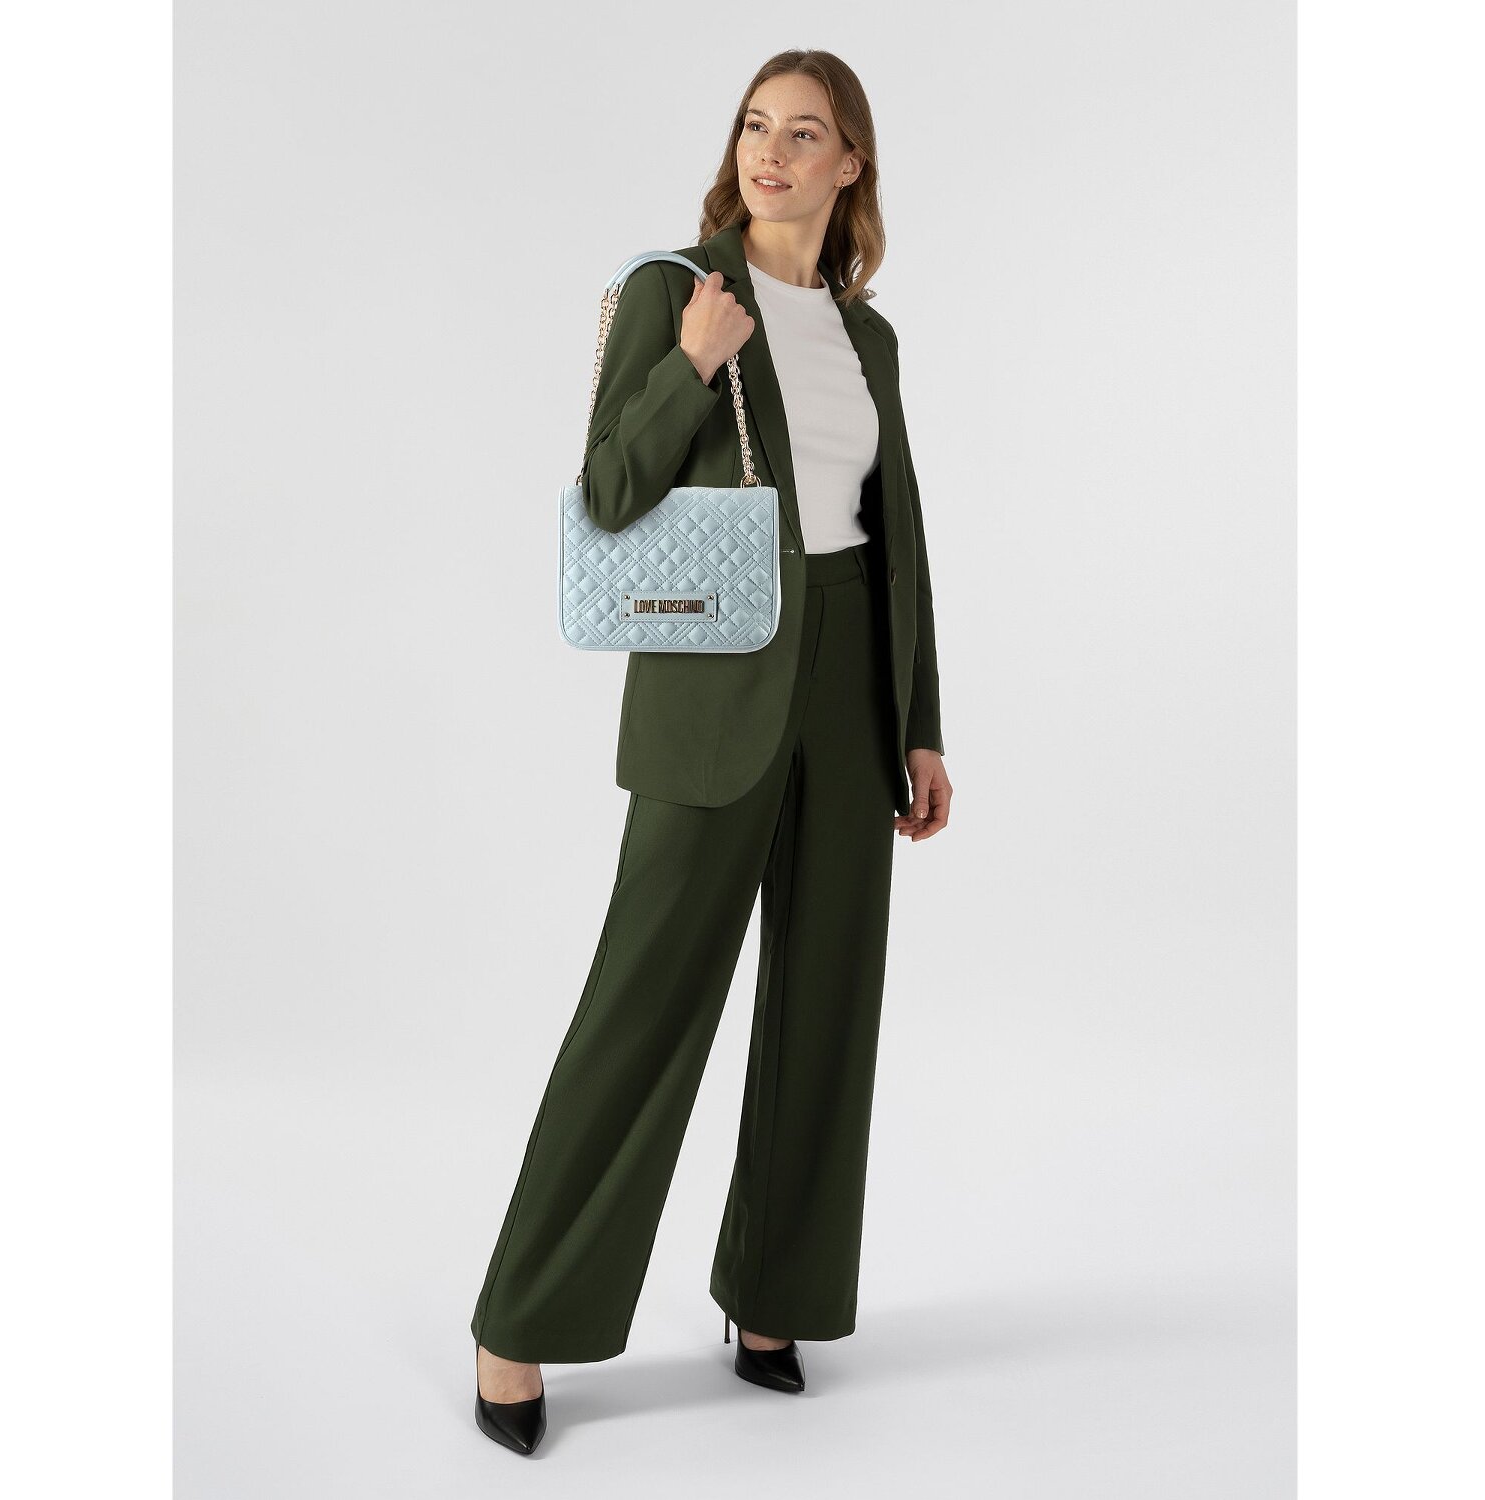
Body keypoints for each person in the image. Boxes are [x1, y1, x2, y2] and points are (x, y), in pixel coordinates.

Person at [469, 49, 952, 1456]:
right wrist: (690, 365)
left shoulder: (869, 340)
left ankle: (772, 1300)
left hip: (850, 682)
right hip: (715, 685)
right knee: (646, 1000)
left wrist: (921, 721)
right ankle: (519, 1320)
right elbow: (610, 493)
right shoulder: (682, 293)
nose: (771, 154)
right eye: (754, 127)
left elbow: (899, 538)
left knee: (827, 1002)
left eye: (805, 134)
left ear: (851, 164)